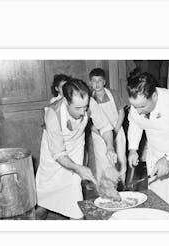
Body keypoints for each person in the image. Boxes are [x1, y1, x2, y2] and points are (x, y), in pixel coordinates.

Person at [35, 79, 117, 220]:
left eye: (85, 107)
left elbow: (105, 127)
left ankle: (76, 219)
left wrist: (109, 146)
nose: (83, 112)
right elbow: (58, 153)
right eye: (77, 108)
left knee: (73, 188)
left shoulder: (89, 102)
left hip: (76, 147)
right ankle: (40, 211)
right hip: (53, 153)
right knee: (45, 192)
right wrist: (77, 168)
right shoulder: (52, 114)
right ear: (66, 102)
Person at [127, 72, 169, 219]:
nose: (138, 111)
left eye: (142, 106)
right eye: (134, 106)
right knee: (158, 205)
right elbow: (135, 123)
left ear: (155, 96)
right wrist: (133, 149)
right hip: (155, 158)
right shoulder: (137, 104)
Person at [89, 68, 127, 183]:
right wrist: (100, 133)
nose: (97, 84)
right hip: (98, 134)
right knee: (103, 162)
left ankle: (122, 186)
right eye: (94, 81)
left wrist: (115, 130)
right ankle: (105, 191)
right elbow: (89, 122)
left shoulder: (113, 94)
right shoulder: (89, 99)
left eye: (99, 81)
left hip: (117, 129)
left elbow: (121, 112)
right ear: (90, 83)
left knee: (120, 159)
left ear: (104, 82)